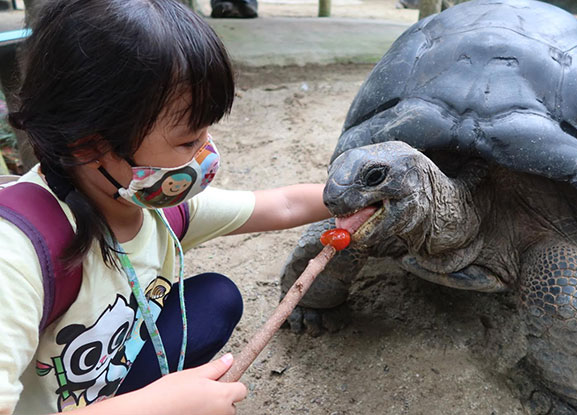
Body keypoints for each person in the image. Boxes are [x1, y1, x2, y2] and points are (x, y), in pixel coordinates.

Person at [0, 0, 330, 413]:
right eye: (188, 142)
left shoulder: (152, 207)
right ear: (89, 145)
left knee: (217, 299)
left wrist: (356, 192)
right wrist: (160, 406)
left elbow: (280, 205)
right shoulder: (16, 254)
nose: (207, 154)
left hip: (110, 376)